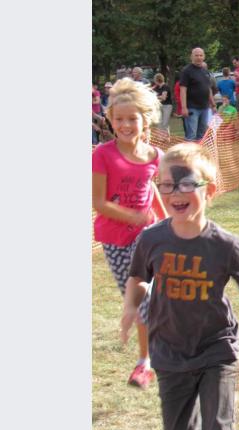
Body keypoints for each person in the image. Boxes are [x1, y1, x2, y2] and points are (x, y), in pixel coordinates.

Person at [120, 143, 239, 430]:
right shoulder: (152, 239)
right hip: (170, 354)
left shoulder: (227, 245)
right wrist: (130, 306)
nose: (175, 193)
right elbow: (137, 277)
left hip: (216, 350)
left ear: (209, 190)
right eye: (167, 185)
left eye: (187, 183)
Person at [92, 78, 166, 390]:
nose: (125, 125)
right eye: (119, 119)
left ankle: (155, 359)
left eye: (132, 119)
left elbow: (153, 191)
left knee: (164, 295)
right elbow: (98, 203)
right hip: (117, 241)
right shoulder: (103, 155)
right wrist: (133, 215)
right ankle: (145, 363)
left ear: (144, 119)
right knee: (141, 301)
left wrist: (169, 222)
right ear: (110, 119)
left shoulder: (154, 156)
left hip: (148, 236)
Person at [180, 47, 217, 141]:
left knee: (202, 135)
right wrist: (184, 107)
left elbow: (208, 89)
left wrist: (213, 104)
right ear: (191, 57)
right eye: (196, 55)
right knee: (191, 135)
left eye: (201, 55)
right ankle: (189, 155)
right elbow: (183, 89)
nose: (199, 57)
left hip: (205, 108)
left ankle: (199, 155)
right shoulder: (186, 71)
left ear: (204, 57)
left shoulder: (205, 71)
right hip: (192, 108)